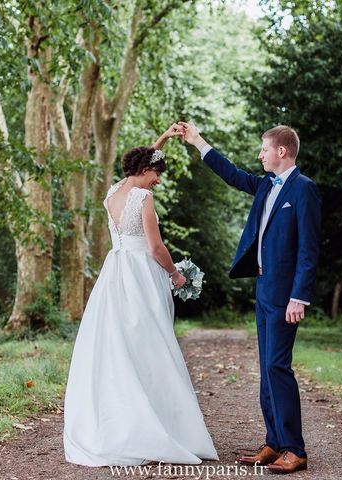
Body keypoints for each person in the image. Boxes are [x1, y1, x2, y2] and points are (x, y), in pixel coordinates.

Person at [63, 125, 218, 467]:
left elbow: (147, 159)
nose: (158, 181)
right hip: (140, 274)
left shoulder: (112, 192)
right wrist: (175, 274)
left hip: (114, 272)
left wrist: (163, 138)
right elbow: (155, 246)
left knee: (120, 345)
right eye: (157, 175)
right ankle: (157, 426)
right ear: (145, 171)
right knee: (152, 344)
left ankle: (125, 420)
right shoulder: (143, 198)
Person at [178, 121, 321, 474]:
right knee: (266, 369)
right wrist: (198, 141)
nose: (260, 155)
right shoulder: (264, 186)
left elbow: (308, 249)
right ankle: (273, 443)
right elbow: (231, 174)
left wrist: (299, 297)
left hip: (286, 294)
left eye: (264, 149)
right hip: (264, 288)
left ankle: (295, 449)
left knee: (277, 366)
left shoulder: (304, 190)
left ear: (281, 151)